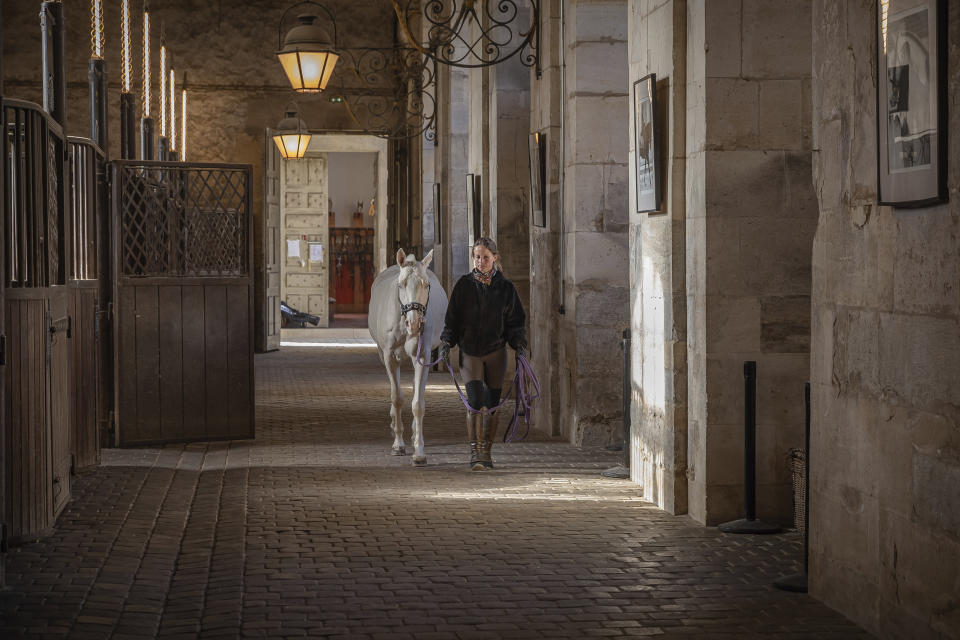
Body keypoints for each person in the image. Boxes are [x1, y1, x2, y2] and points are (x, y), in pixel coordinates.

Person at [439, 237, 527, 471]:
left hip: (496, 352)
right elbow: (453, 318)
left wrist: (519, 343)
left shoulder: (506, 288)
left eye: (486, 257)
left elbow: (516, 321)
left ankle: (487, 452)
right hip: (470, 352)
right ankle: (475, 451)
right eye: (477, 257)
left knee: (493, 403)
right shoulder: (463, 286)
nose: (481, 262)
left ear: (495, 258)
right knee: (475, 402)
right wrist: (447, 340)